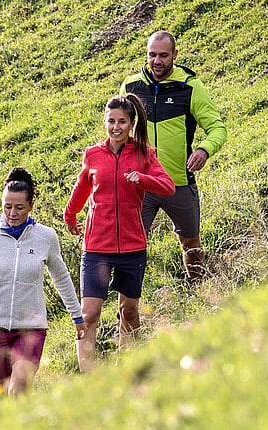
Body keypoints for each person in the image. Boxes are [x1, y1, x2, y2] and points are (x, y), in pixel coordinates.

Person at [64, 94, 175, 371]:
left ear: (131, 123)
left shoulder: (143, 153)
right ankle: (90, 377)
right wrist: (70, 215)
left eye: (122, 121)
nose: (116, 127)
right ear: (105, 122)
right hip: (97, 248)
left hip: (132, 247)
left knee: (130, 312)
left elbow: (168, 186)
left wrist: (144, 179)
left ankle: (127, 370)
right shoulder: (93, 155)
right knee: (89, 315)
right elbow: (82, 188)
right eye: (111, 121)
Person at [0, 167, 87, 399]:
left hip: (31, 328)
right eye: (7, 206)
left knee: (18, 389)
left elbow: (61, 277)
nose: (12, 213)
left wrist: (77, 316)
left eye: (19, 207)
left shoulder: (45, 237)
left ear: (31, 206)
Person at [120, 30, 228, 285]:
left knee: (190, 241)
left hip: (178, 181)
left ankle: (198, 289)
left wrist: (204, 150)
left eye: (163, 56)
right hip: (141, 183)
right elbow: (116, 128)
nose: (157, 61)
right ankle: (127, 310)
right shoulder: (131, 86)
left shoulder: (190, 87)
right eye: (152, 55)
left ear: (175, 55)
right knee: (131, 246)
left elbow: (217, 128)